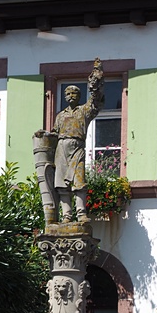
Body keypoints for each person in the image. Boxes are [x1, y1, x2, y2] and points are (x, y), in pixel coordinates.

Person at [52, 58, 104, 222]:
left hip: (77, 148)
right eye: (67, 93)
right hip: (61, 149)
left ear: (79, 95)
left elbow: (96, 100)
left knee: (79, 181)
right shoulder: (60, 116)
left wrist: (96, 78)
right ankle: (66, 215)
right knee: (61, 185)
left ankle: (81, 213)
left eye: (74, 93)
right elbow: (54, 134)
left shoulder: (84, 111)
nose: (70, 96)